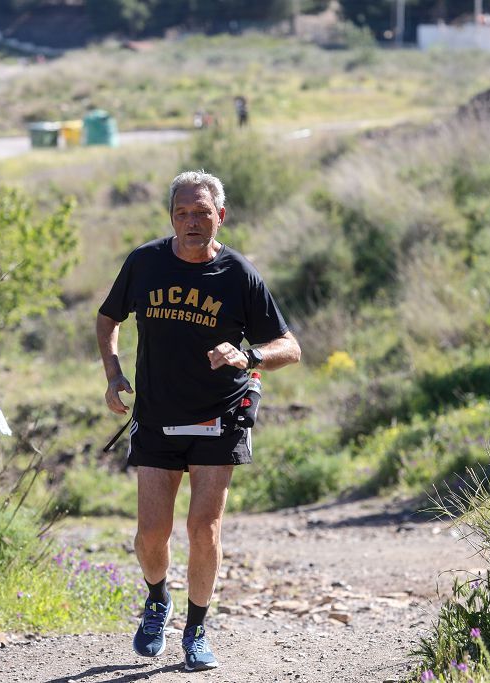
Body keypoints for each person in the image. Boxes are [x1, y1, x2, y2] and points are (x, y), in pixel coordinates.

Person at [96, 170, 301, 671]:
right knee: (151, 534)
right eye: (182, 212)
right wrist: (114, 373)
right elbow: (109, 318)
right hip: (158, 414)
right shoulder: (144, 263)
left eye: (202, 212)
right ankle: (157, 599)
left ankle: (196, 628)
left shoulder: (239, 274)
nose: (192, 221)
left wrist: (248, 357)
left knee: (203, 527)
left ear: (220, 216)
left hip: (219, 416)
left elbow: (289, 347)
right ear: (171, 217)